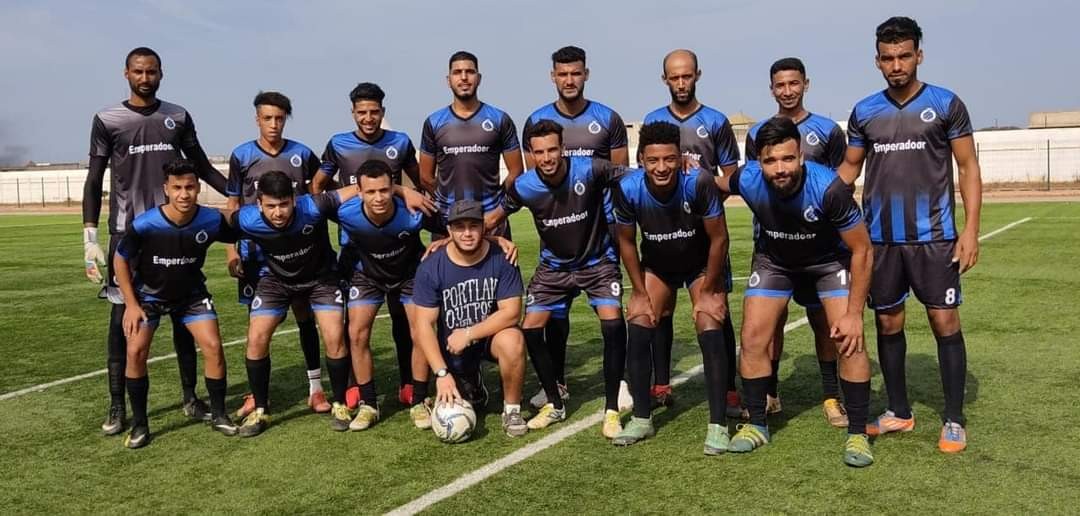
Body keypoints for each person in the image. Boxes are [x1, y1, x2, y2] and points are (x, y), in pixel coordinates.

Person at [837, 16, 982, 453]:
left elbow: (968, 167)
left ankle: (953, 418)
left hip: (934, 236)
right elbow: (850, 168)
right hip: (880, 240)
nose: (896, 65)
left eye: (904, 56)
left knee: (944, 320)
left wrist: (970, 230)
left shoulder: (945, 103)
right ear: (877, 61)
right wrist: (815, 196)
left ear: (919, 55)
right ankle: (899, 411)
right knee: (887, 320)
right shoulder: (865, 111)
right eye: (888, 58)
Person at [84, 46, 229, 436]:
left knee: (183, 316)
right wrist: (89, 234)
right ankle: (118, 405)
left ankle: (191, 398)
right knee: (124, 321)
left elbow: (201, 166)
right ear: (126, 74)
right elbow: (94, 178)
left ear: (161, 74)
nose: (144, 78)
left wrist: (237, 194)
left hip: (176, 228)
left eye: (151, 72)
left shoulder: (177, 116)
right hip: (128, 230)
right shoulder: (107, 119)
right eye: (138, 72)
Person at [718, 117, 875, 467]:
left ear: (801, 156)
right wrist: (689, 177)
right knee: (753, 337)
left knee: (849, 340)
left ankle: (858, 433)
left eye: (788, 158)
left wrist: (854, 314)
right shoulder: (748, 179)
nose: (780, 169)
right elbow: (716, 184)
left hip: (827, 263)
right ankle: (757, 424)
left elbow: (863, 250)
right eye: (771, 161)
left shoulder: (829, 188)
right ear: (759, 162)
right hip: (775, 263)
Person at [610, 122, 732, 453]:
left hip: (700, 266)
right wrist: (638, 292)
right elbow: (626, 242)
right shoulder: (628, 188)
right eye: (653, 160)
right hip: (659, 267)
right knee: (638, 320)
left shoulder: (698, 182)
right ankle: (641, 419)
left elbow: (719, 238)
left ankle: (718, 425)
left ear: (680, 157)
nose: (661, 167)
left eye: (669, 159)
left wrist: (709, 290)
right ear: (641, 159)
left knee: (709, 322)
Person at [520, 45, 631, 410]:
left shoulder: (607, 118)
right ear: (552, 76)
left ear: (586, 74)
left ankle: (621, 382)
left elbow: (619, 177)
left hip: (602, 230)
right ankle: (558, 382)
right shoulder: (536, 120)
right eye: (563, 74)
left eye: (575, 73)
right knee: (555, 314)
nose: (569, 80)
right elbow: (537, 180)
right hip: (558, 231)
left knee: (611, 313)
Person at [504, 120, 628, 438]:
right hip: (553, 268)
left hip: (597, 262)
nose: (546, 158)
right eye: (539, 152)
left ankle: (612, 409)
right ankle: (555, 402)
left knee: (613, 324)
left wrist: (680, 170)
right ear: (531, 154)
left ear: (563, 148)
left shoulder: (590, 169)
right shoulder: (523, 185)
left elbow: (632, 175)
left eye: (552, 150)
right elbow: (495, 216)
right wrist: (493, 238)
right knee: (531, 330)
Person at [744, 57, 850, 426]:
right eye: (780, 85)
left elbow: (841, 182)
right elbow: (753, 179)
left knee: (823, 322)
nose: (787, 91)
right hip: (773, 245)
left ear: (806, 84)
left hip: (820, 246)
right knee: (770, 321)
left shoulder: (827, 130)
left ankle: (831, 396)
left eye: (793, 83)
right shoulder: (758, 133)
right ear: (771, 89)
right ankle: (770, 393)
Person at [112, 160, 239, 448]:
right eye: (178, 187)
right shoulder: (145, 224)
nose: (184, 194)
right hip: (149, 298)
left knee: (213, 346)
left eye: (190, 187)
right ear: (166, 189)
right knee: (135, 351)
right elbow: (120, 259)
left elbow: (234, 233)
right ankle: (140, 424)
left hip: (191, 296)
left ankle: (219, 414)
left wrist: (233, 256)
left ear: (198, 188)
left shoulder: (210, 219)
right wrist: (131, 304)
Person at [642, 49, 741, 416]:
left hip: (704, 234)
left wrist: (702, 185)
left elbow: (732, 178)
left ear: (698, 75)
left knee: (716, 310)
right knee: (658, 310)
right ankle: (661, 385)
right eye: (675, 77)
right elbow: (645, 175)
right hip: (662, 233)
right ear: (664, 79)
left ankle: (729, 391)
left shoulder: (715, 121)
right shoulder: (653, 121)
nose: (681, 83)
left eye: (687, 76)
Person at [313, 82, 423, 407]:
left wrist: (402, 192)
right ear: (353, 113)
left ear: (382, 112)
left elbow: (419, 183)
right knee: (356, 324)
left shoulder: (400, 141)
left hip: (398, 241)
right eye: (362, 112)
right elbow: (318, 186)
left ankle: (408, 383)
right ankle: (355, 385)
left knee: (403, 320)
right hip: (356, 248)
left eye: (374, 112)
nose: (368, 118)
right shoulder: (338, 144)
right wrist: (347, 210)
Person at [225, 91, 330, 417]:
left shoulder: (302, 153)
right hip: (255, 255)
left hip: (299, 255)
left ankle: (316, 389)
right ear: (256, 119)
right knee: (257, 328)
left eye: (279, 118)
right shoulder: (241, 155)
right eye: (267, 118)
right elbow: (233, 206)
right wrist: (231, 253)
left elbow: (318, 193)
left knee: (305, 318)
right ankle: (257, 395)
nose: (273, 124)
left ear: (286, 119)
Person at [410, 200, 531, 438]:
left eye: (473, 226)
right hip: (452, 345)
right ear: (449, 230)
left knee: (513, 339)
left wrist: (469, 334)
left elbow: (511, 312)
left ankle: (512, 410)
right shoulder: (431, 266)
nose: (467, 233)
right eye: (460, 227)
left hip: (487, 337)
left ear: (483, 227)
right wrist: (441, 374)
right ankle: (468, 380)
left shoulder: (503, 257)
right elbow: (423, 325)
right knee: (467, 398)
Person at [419, 51, 524, 238]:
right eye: (457, 72)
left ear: (479, 78)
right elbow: (426, 177)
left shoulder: (499, 119)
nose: (464, 77)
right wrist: (447, 203)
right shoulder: (434, 122)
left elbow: (516, 172)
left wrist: (497, 204)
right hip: (448, 222)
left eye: (470, 71)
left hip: (491, 220)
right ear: (448, 80)